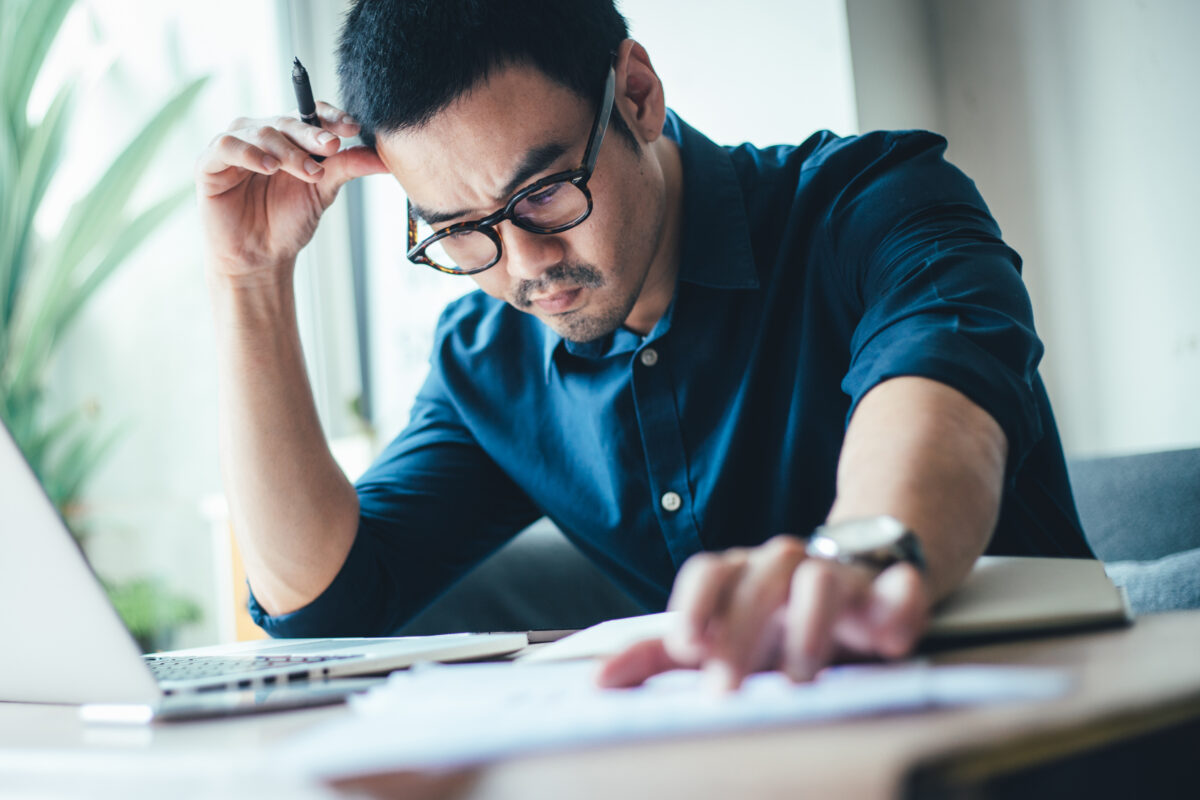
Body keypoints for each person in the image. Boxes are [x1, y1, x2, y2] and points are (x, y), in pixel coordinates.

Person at [195, 0, 1091, 692]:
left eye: (543, 193)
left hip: (1049, 727)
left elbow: (943, 410)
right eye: (460, 231)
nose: (525, 268)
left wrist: (855, 558)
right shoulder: (488, 358)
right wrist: (249, 280)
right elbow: (320, 603)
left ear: (636, 93)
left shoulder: (874, 205)